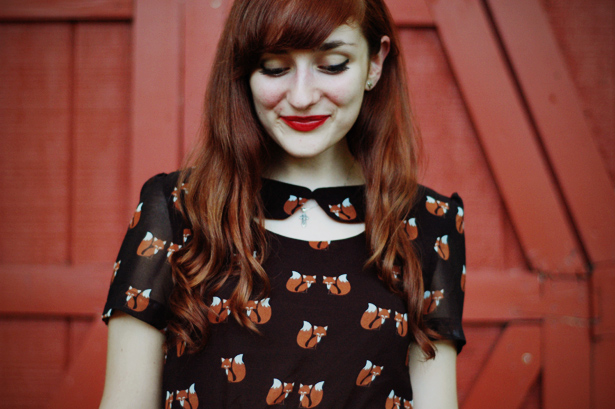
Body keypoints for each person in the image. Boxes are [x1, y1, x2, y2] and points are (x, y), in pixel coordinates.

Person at [99, 0, 466, 408]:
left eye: (332, 65)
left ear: (375, 63)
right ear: (245, 67)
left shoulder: (430, 223)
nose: (302, 96)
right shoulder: (176, 209)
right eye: (275, 67)